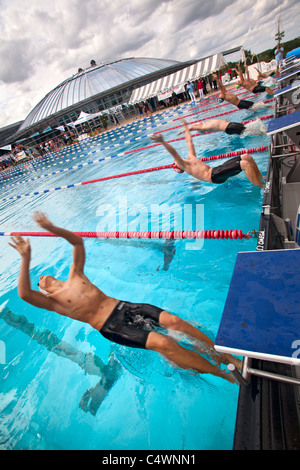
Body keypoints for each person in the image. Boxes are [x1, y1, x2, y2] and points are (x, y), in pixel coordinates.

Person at [9, 211, 241, 382]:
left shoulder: (75, 274)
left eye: (40, 276)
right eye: (37, 280)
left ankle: (225, 356)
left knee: (175, 322)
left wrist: (52, 227)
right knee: (164, 342)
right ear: (43, 290)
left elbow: (77, 241)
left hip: (126, 307)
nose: (40, 278)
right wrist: (25, 258)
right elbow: (24, 293)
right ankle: (220, 373)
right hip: (114, 326)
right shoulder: (54, 303)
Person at [151, 120, 264, 187]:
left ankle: (261, 177)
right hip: (214, 176)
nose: (175, 160)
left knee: (246, 156)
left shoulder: (191, 158)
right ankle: (261, 186)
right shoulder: (184, 165)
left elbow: (189, 141)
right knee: (244, 164)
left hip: (216, 170)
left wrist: (186, 128)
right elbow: (174, 153)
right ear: (177, 166)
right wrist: (163, 142)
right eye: (174, 162)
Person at [177, 116, 267, 137]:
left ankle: (264, 132)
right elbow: (193, 126)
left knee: (247, 132)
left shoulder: (204, 126)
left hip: (229, 127)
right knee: (246, 129)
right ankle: (261, 129)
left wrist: (181, 131)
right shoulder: (205, 124)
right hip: (230, 124)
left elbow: (192, 127)